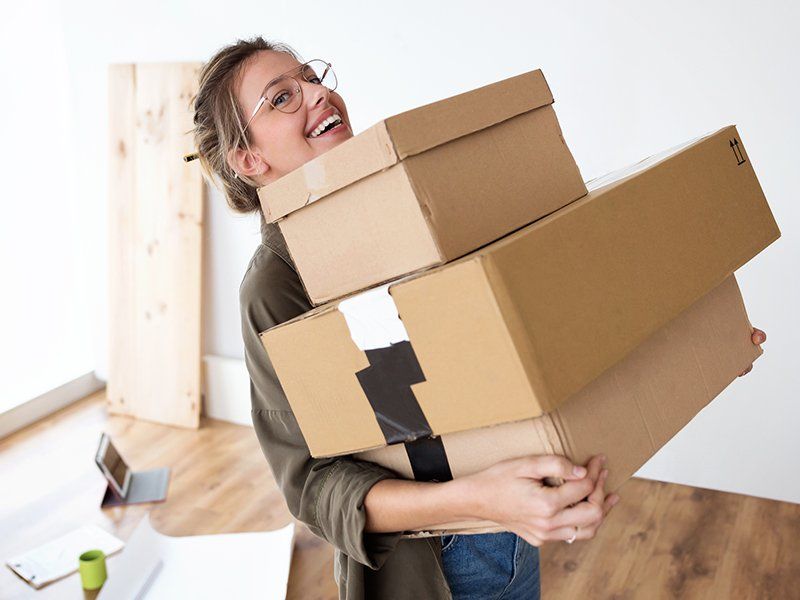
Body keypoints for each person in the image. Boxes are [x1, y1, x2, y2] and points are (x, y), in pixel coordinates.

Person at [189, 36, 767, 600]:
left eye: (311, 77)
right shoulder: (274, 287)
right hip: (435, 563)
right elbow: (313, 489)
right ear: (250, 159)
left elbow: (518, 337)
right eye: (283, 97)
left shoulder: (399, 214)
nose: (316, 94)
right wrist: (480, 500)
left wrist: (695, 342)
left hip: (511, 529)